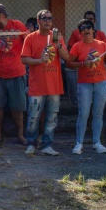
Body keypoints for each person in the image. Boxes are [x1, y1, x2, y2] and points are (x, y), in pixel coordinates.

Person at [21, 10, 70, 156]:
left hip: (54, 85)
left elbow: (67, 57)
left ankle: (47, 145)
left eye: (50, 18)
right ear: (38, 21)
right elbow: (24, 59)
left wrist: (58, 44)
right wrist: (40, 60)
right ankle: (31, 143)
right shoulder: (30, 38)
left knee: (51, 118)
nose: (48, 21)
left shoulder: (56, 37)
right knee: (33, 117)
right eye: (44, 18)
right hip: (37, 86)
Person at [0, 3, 29, 147]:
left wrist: (27, 36)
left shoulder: (17, 25)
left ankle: (20, 135)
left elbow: (28, 43)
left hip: (16, 73)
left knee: (18, 107)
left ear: (1, 16)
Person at [66, 18, 106, 155]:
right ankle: (79, 143)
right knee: (83, 113)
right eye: (82, 28)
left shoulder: (102, 44)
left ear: (93, 30)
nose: (86, 30)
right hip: (84, 84)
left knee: (98, 114)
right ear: (80, 32)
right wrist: (82, 64)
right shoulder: (77, 46)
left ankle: (97, 142)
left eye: (88, 27)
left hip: (101, 83)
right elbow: (69, 63)